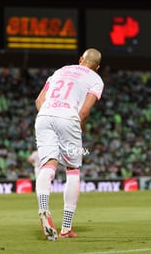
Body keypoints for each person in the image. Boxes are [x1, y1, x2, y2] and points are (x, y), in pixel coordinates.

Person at [34, 48, 104, 240]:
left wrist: (50, 114)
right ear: (97, 67)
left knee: (48, 164)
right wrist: (77, 127)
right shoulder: (96, 80)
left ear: (80, 59)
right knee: (72, 170)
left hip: (44, 116)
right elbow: (84, 111)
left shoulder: (61, 70)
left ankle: (43, 209)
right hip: (69, 118)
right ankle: (66, 227)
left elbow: (39, 100)